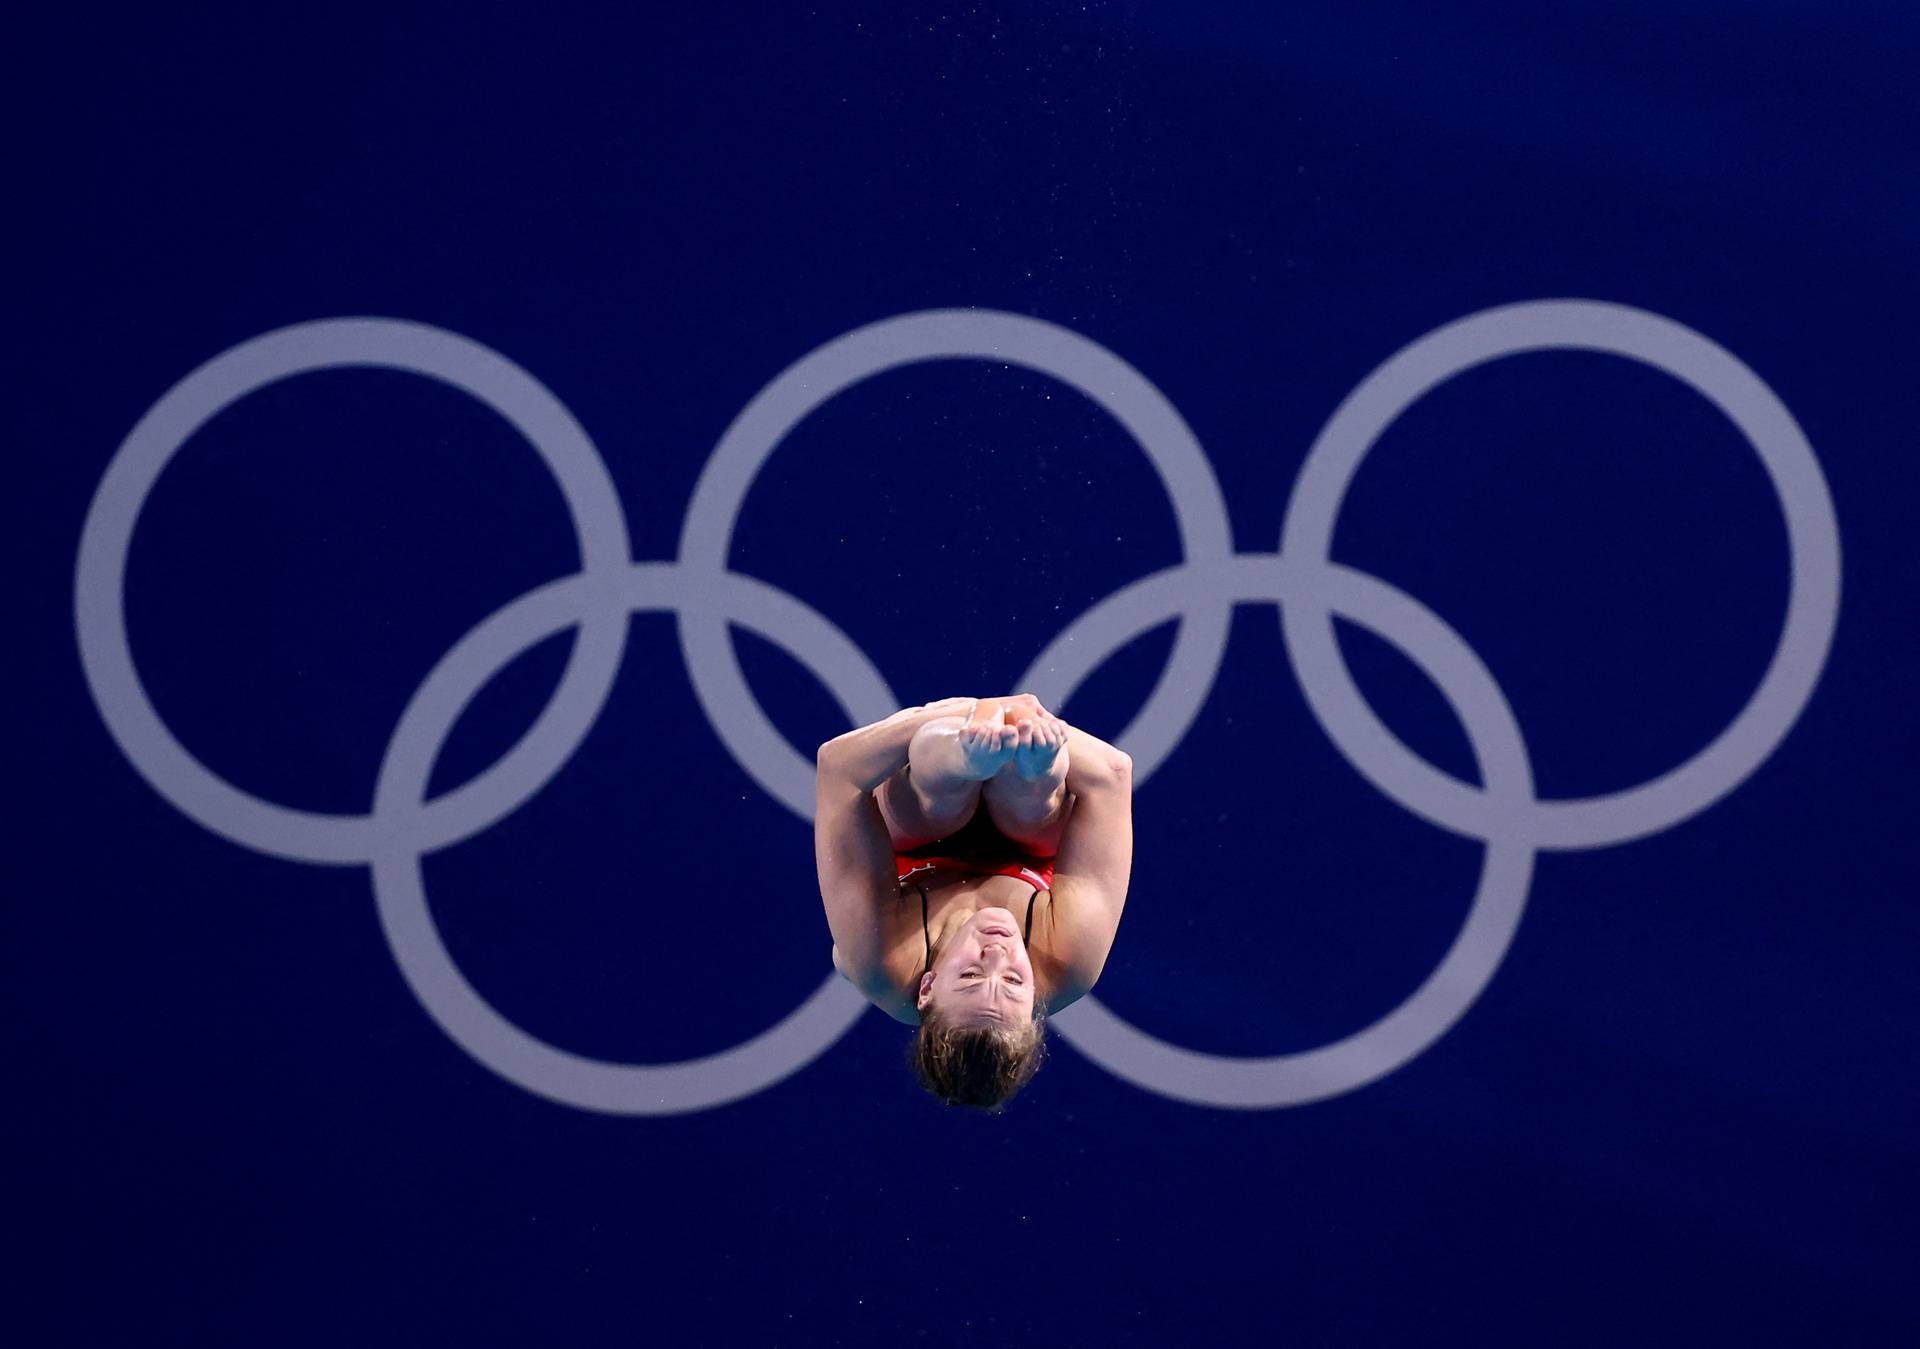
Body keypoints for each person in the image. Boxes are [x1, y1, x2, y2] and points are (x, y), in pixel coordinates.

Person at [814, 694, 1135, 1111]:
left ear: (927, 988)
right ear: (1037, 997)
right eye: (1015, 982)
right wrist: (1024, 723)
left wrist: (965, 715)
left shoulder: (881, 960)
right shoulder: (1070, 960)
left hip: (921, 837)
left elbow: (838, 769)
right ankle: (1034, 764)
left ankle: (962, 753)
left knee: (936, 794)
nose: (997, 954)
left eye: (969, 975)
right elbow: (1112, 774)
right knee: (1034, 794)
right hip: (1030, 840)